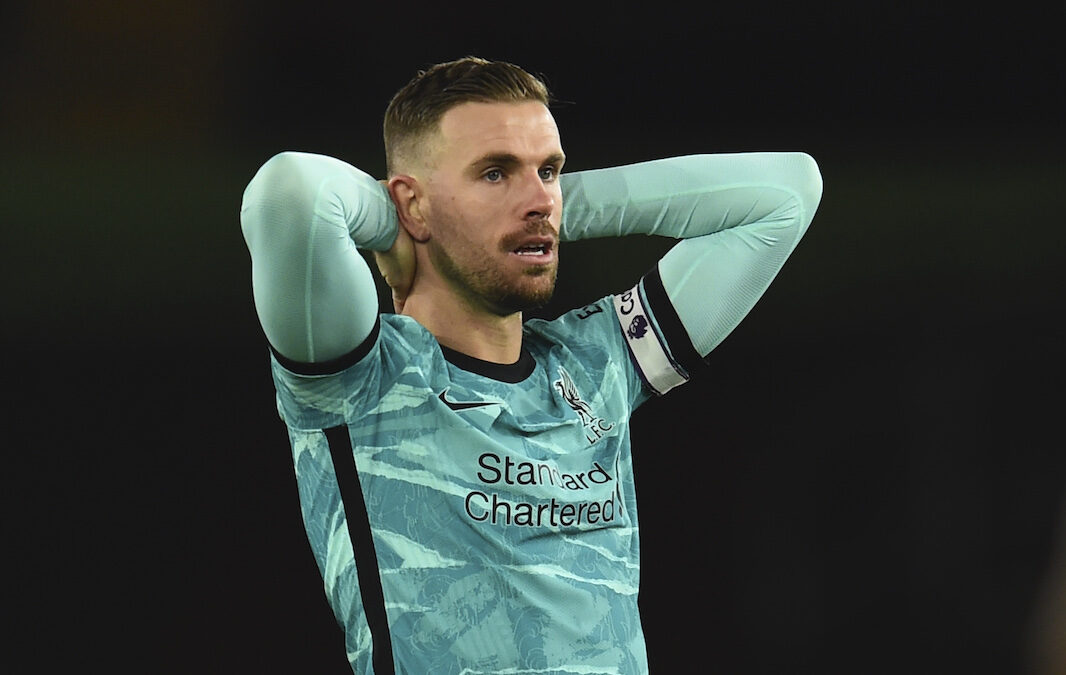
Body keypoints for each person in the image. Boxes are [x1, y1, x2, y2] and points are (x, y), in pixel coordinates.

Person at [241, 56, 822, 674]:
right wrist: (397, 230)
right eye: (495, 173)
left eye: (549, 171)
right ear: (412, 203)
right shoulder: (363, 380)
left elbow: (789, 192)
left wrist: (537, 209)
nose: (540, 199)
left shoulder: (600, 363)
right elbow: (290, 193)